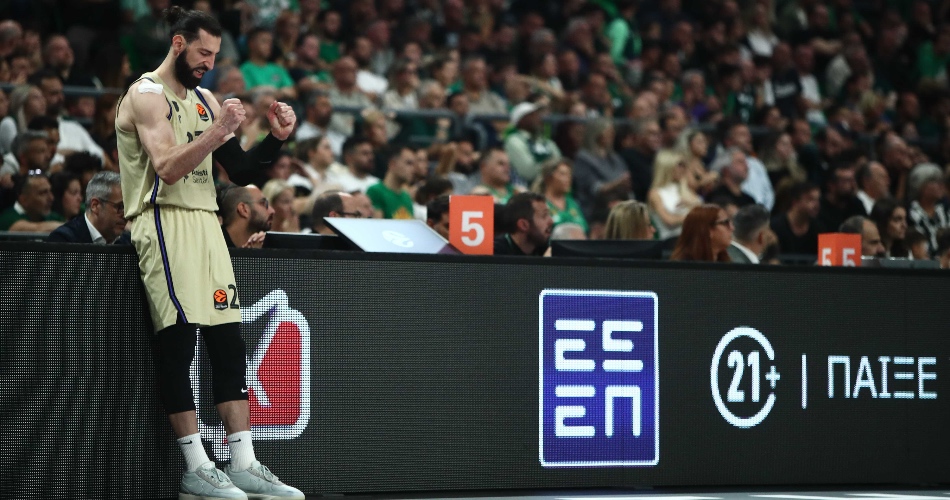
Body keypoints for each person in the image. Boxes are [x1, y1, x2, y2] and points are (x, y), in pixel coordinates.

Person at [114, 7, 303, 500]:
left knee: (228, 345)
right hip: (163, 219)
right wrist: (217, 131)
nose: (209, 64)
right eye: (202, 53)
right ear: (178, 44)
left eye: (215, 55)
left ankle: (244, 463)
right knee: (178, 344)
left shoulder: (204, 99)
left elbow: (241, 171)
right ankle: (196, 468)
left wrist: (276, 139)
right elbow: (167, 167)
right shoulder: (146, 95)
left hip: (206, 224)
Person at [47, 171, 127, 244]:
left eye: (127, 209)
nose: (126, 215)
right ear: (95, 206)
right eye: (120, 207)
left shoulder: (128, 242)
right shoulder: (63, 239)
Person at [574, 118, 631, 218]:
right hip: (594, 209)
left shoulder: (615, 158)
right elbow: (595, 189)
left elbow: (626, 180)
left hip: (618, 205)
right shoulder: (583, 159)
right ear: (597, 133)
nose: (612, 135)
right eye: (608, 132)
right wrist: (618, 183)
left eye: (612, 132)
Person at [647, 149, 702, 240]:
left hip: (691, 239)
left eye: (685, 165)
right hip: (670, 241)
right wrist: (694, 216)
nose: (684, 169)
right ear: (667, 167)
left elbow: (702, 210)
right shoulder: (655, 194)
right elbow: (669, 220)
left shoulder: (685, 189)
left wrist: (691, 205)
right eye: (680, 165)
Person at [504, 100, 561, 184]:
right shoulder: (513, 140)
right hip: (526, 188)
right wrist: (552, 166)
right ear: (521, 120)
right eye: (532, 115)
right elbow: (528, 172)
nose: (538, 118)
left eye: (537, 114)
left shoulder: (545, 141)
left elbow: (561, 165)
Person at [534, 158, 587, 234]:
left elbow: (585, 228)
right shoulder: (540, 204)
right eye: (563, 174)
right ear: (548, 178)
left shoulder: (573, 203)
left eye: (569, 174)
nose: (568, 179)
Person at [771, 181, 822, 256]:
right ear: (795, 202)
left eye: (817, 200)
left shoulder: (818, 228)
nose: (816, 205)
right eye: (810, 199)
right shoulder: (775, 226)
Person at [493, 192, 553, 256]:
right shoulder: (495, 253)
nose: (551, 221)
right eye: (544, 216)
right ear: (523, 225)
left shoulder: (549, 248)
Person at [366, 145, 416, 219]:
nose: (413, 169)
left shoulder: (407, 197)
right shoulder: (375, 191)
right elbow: (377, 224)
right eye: (408, 163)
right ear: (392, 164)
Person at [219, 184, 273, 248]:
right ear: (243, 209)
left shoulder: (266, 245)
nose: (272, 211)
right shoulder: (213, 245)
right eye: (263, 203)